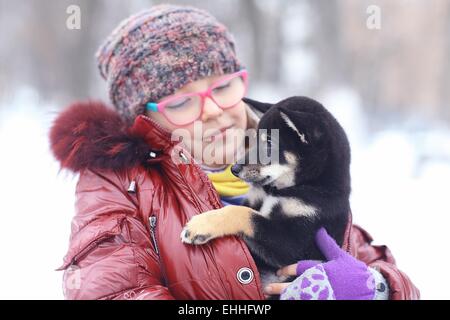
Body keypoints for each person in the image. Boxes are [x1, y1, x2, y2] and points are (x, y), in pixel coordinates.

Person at [49, 4, 419, 300]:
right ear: (145, 119)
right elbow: (113, 290)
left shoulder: (297, 150)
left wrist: (377, 289)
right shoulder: (119, 184)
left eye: (223, 86)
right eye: (181, 102)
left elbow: (378, 270)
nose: (213, 110)